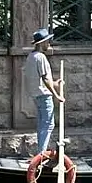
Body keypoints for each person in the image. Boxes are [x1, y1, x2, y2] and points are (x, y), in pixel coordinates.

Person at [23, 28, 64, 157]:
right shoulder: (40, 57)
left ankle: (40, 153)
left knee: (42, 125)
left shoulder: (31, 57)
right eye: (47, 42)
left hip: (36, 95)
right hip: (44, 95)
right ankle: (41, 154)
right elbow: (45, 79)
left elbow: (41, 78)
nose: (49, 44)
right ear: (42, 43)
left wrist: (56, 83)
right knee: (48, 125)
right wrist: (57, 95)